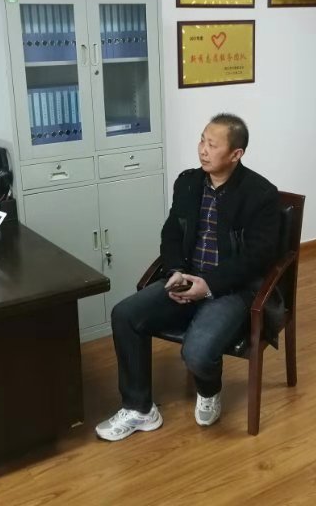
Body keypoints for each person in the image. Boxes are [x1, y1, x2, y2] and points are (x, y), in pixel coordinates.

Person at [95, 113, 280, 441]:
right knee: (125, 314)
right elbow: (171, 233)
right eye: (202, 140)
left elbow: (256, 259)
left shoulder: (260, 194)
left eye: (213, 145)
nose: (203, 150)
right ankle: (139, 409)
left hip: (231, 290)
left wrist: (208, 286)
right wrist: (176, 270)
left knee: (196, 352)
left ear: (236, 154)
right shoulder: (189, 183)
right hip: (186, 277)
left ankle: (209, 390)